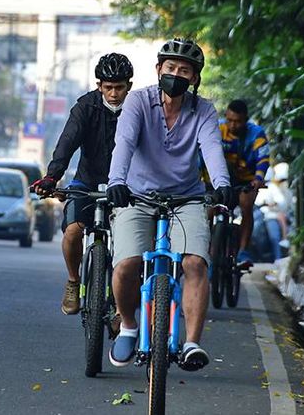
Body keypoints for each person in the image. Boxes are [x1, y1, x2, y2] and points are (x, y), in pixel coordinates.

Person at [106, 38, 233, 371]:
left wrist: (222, 185)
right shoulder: (137, 102)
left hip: (186, 198)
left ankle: (191, 343)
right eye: (171, 67)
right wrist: (117, 181)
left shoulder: (203, 109)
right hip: (136, 195)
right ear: (159, 69)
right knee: (127, 264)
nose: (176, 74)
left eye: (185, 70)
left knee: (195, 263)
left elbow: (212, 150)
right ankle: (129, 326)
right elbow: (124, 143)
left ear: (194, 78)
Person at [32, 53, 133, 315]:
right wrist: (52, 177)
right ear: (99, 85)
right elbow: (67, 142)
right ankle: (73, 281)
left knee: (133, 245)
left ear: (128, 86)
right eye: (108, 87)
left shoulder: (138, 108)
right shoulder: (85, 107)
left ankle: (124, 307)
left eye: (119, 87)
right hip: (86, 181)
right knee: (73, 232)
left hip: (128, 186)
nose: (113, 94)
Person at [218, 99, 270, 268]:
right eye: (229, 120)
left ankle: (243, 251)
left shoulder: (257, 133)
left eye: (238, 121)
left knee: (246, 205)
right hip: (220, 179)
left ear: (246, 119)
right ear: (225, 116)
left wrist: (258, 179)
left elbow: (263, 159)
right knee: (208, 210)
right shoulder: (217, 129)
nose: (233, 125)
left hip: (247, 180)